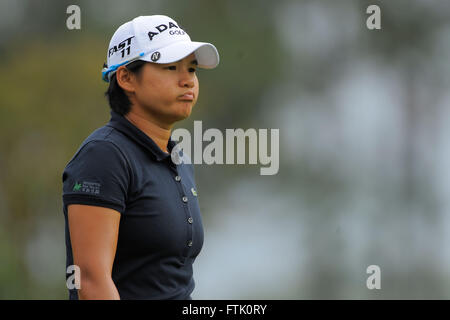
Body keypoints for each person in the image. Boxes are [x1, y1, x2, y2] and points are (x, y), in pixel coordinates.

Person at [61, 15, 219, 300]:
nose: (188, 81)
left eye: (192, 69)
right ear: (126, 78)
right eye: (171, 67)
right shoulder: (104, 156)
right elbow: (91, 280)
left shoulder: (177, 158)